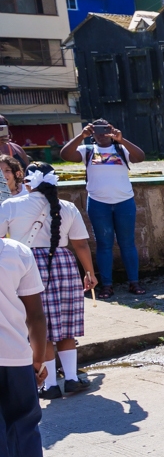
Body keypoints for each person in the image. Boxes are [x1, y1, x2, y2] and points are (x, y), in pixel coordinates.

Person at [0, 164, 98, 398]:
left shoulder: (10, 206)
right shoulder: (68, 207)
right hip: (64, 263)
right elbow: (81, 244)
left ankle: (50, 383)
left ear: (28, 182)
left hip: (28, 262)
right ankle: (72, 378)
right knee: (65, 324)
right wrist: (89, 273)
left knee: (38, 323)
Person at [0, 225, 63, 457]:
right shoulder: (16, 253)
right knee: (25, 429)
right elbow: (35, 316)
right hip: (16, 359)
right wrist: (38, 361)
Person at [60, 120, 146, 298]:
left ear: (111, 130)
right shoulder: (88, 150)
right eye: (96, 130)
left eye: (105, 130)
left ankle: (134, 282)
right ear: (91, 133)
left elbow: (140, 157)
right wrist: (81, 136)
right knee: (104, 245)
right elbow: (65, 155)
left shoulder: (121, 150)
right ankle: (106, 285)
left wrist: (121, 140)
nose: (101, 134)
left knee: (127, 244)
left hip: (124, 202)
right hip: (99, 203)